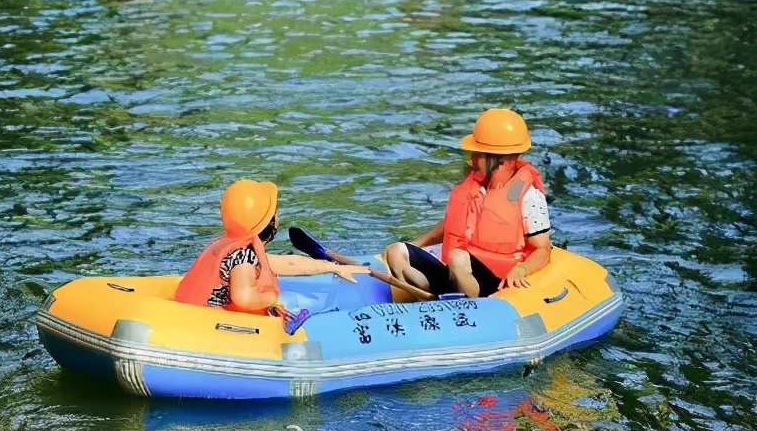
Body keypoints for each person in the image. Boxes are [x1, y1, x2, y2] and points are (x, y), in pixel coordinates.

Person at [385, 109, 552, 298]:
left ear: (500, 159)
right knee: (396, 252)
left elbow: (542, 247)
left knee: (457, 258)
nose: (472, 158)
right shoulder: (474, 184)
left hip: (496, 275)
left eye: (478, 153)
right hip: (457, 266)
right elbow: (452, 226)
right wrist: (415, 244)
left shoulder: (524, 192)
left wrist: (521, 270)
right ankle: (429, 297)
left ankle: (470, 307)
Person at [174, 179, 369, 313]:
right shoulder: (244, 257)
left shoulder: (228, 245)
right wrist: (272, 299)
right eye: (275, 213)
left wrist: (332, 267)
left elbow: (288, 264)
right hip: (210, 320)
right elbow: (243, 298)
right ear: (269, 222)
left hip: (192, 308)